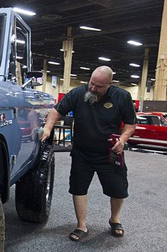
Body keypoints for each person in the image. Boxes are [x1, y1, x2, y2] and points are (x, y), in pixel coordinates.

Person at [40, 66, 137, 241]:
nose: (92, 88)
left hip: (110, 153)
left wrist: (122, 140)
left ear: (109, 84)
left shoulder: (122, 96)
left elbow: (130, 124)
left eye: (98, 86)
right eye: (91, 83)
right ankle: (81, 225)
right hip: (82, 152)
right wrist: (48, 128)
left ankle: (115, 219)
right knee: (78, 188)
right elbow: (56, 111)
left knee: (118, 190)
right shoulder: (78, 93)